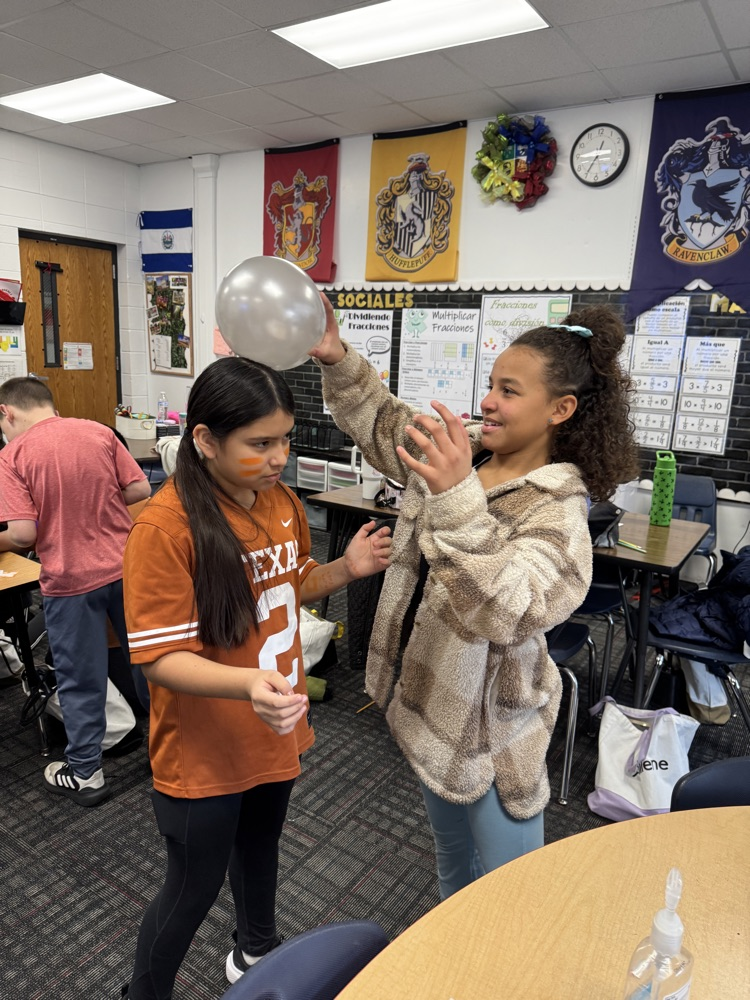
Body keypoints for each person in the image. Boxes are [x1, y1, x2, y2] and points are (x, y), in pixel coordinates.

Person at [310, 298, 639, 899]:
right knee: (452, 857)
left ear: (560, 409)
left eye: (510, 391)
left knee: (514, 893)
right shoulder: (468, 456)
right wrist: (337, 357)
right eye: (491, 384)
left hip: (492, 737)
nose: (488, 400)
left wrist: (455, 493)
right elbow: (386, 421)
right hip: (431, 707)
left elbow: (508, 608)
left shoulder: (556, 509)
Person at [121, 356, 391, 1000]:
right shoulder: (164, 527)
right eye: (260, 443)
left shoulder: (281, 504)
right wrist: (244, 685)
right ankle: (144, 991)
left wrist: (346, 569)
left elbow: (290, 586)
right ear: (206, 440)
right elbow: (158, 658)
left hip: (274, 727)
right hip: (204, 750)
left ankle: (254, 948)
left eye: (286, 440)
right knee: (192, 886)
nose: (279, 457)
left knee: (261, 848)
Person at [0, 376, 151, 806]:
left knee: (81, 679)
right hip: (127, 567)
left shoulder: (12, 455)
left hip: (70, 582)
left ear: (7, 413)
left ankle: (86, 773)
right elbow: (140, 488)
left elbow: (22, 533)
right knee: (149, 661)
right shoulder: (98, 431)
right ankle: (170, 752)